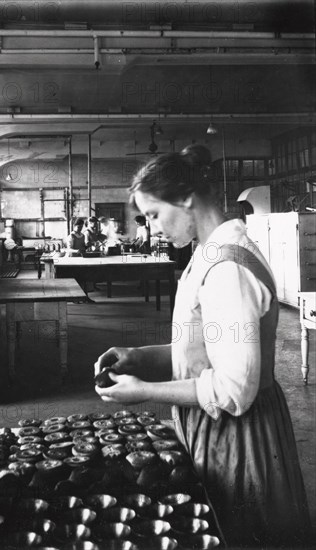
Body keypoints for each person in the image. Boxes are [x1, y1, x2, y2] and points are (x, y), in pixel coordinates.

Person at [94, 145, 310, 547]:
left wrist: (143, 392)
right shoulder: (207, 253)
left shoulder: (227, 268)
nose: (152, 228)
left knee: (242, 534)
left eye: (155, 214)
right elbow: (206, 349)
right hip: (218, 426)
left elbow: (232, 390)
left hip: (239, 435)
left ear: (186, 198)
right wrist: (139, 357)